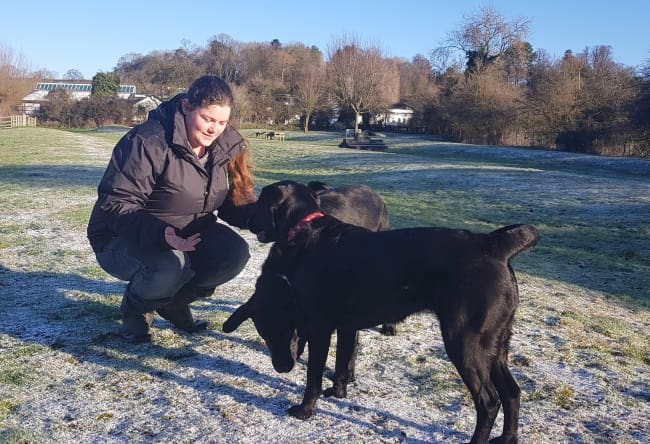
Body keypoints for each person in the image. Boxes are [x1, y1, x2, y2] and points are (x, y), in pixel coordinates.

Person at [87, 75, 256, 343]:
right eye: (208, 119)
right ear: (187, 106)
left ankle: (173, 303)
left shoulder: (223, 146)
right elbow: (116, 203)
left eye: (222, 122)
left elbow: (226, 202)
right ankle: (135, 312)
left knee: (234, 253)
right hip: (123, 236)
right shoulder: (147, 142)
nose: (214, 129)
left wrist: (268, 217)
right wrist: (162, 234)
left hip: (189, 230)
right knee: (170, 264)